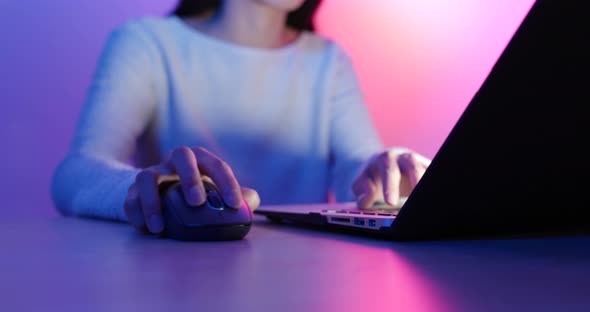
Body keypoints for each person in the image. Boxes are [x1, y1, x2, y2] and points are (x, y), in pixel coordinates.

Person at [51, 0, 431, 235]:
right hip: (176, 279)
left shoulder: (327, 61)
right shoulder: (147, 43)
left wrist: (387, 173)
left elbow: (357, 171)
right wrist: (144, 190)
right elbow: (76, 171)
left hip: (304, 278)